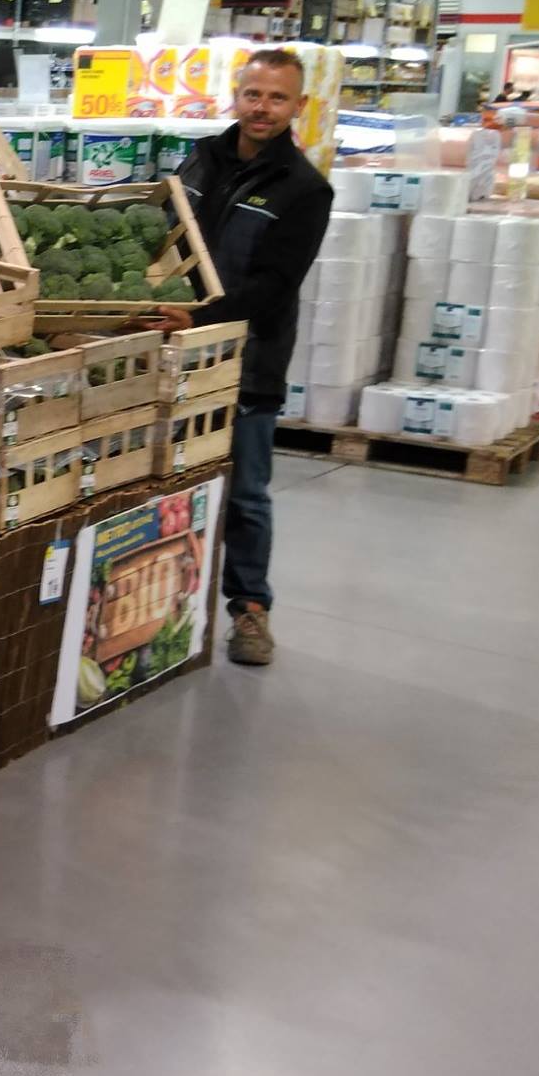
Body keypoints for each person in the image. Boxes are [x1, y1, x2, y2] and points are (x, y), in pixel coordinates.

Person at [153, 48, 332, 667]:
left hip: (249, 358)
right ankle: (163, 605)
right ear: (237, 95)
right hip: (175, 347)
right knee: (166, 478)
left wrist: (199, 317)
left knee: (248, 492)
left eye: (277, 98)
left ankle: (250, 611)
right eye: (254, 94)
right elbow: (165, 232)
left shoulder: (305, 189)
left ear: (297, 106)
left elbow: (275, 285)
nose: (263, 108)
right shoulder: (201, 157)